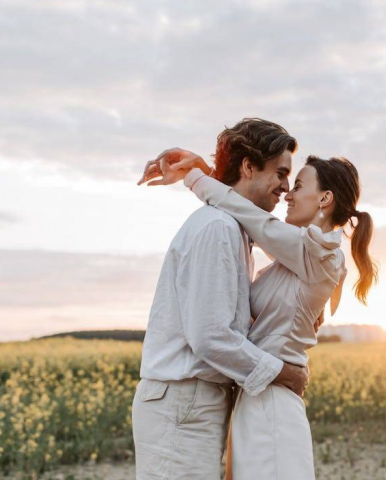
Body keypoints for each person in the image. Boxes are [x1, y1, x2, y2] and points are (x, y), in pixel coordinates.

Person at [141, 144, 378, 480]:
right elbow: (246, 212)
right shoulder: (294, 256)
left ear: (324, 199)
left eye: (297, 185)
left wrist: (195, 176)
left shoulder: (321, 254)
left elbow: (253, 218)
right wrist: (206, 175)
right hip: (255, 394)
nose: (287, 194)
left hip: (273, 400)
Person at [132, 118, 309, 480]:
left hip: (191, 402)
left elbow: (225, 322)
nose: (285, 187)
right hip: (184, 402)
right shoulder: (218, 228)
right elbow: (210, 335)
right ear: (248, 166)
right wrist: (282, 374)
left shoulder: (234, 231)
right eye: (280, 172)